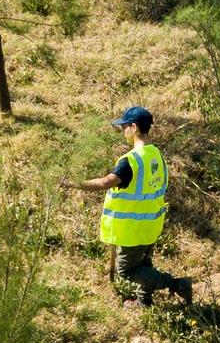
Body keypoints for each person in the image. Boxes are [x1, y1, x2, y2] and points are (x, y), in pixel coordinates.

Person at [64, 105, 192, 307]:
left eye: (124, 126)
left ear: (134, 127)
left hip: (133, 228)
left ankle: (176, 284)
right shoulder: (156, 155)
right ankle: (144, 301)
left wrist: (75, 183)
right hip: (152, 223)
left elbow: (107, 182)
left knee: (127, 270)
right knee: (144, 264)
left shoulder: (130, 161)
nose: (122, 130)